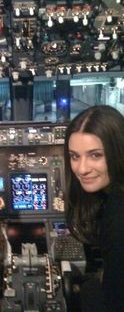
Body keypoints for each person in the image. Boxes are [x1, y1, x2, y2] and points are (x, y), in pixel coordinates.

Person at [64, 105, 124, 312]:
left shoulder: (117, 218)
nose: (82, 169)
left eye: (95, 155)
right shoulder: (112, 199)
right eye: (74, 156)